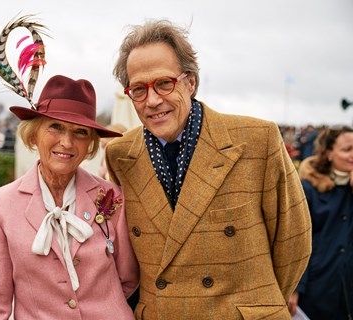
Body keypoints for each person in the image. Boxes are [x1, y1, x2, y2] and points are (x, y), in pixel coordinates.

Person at [105, 19, 312, 319]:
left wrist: (257, 306)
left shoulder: (257, 139)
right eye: (138, 89)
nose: (152, 100)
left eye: (165, 83)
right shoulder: (120, 154)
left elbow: (294, 241)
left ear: (190, 82)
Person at [0, 75, 139, 319]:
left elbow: (128, 278)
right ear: (34, 134)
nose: (67, 142)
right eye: (55, 126)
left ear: (90, 145)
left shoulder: (111, 196)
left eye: (80, 132)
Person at [289, 126, 353, 320]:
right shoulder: (308, 189)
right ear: (328, 154)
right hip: (318, 288)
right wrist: (295, 288)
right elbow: (296, 242)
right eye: (347, 149)